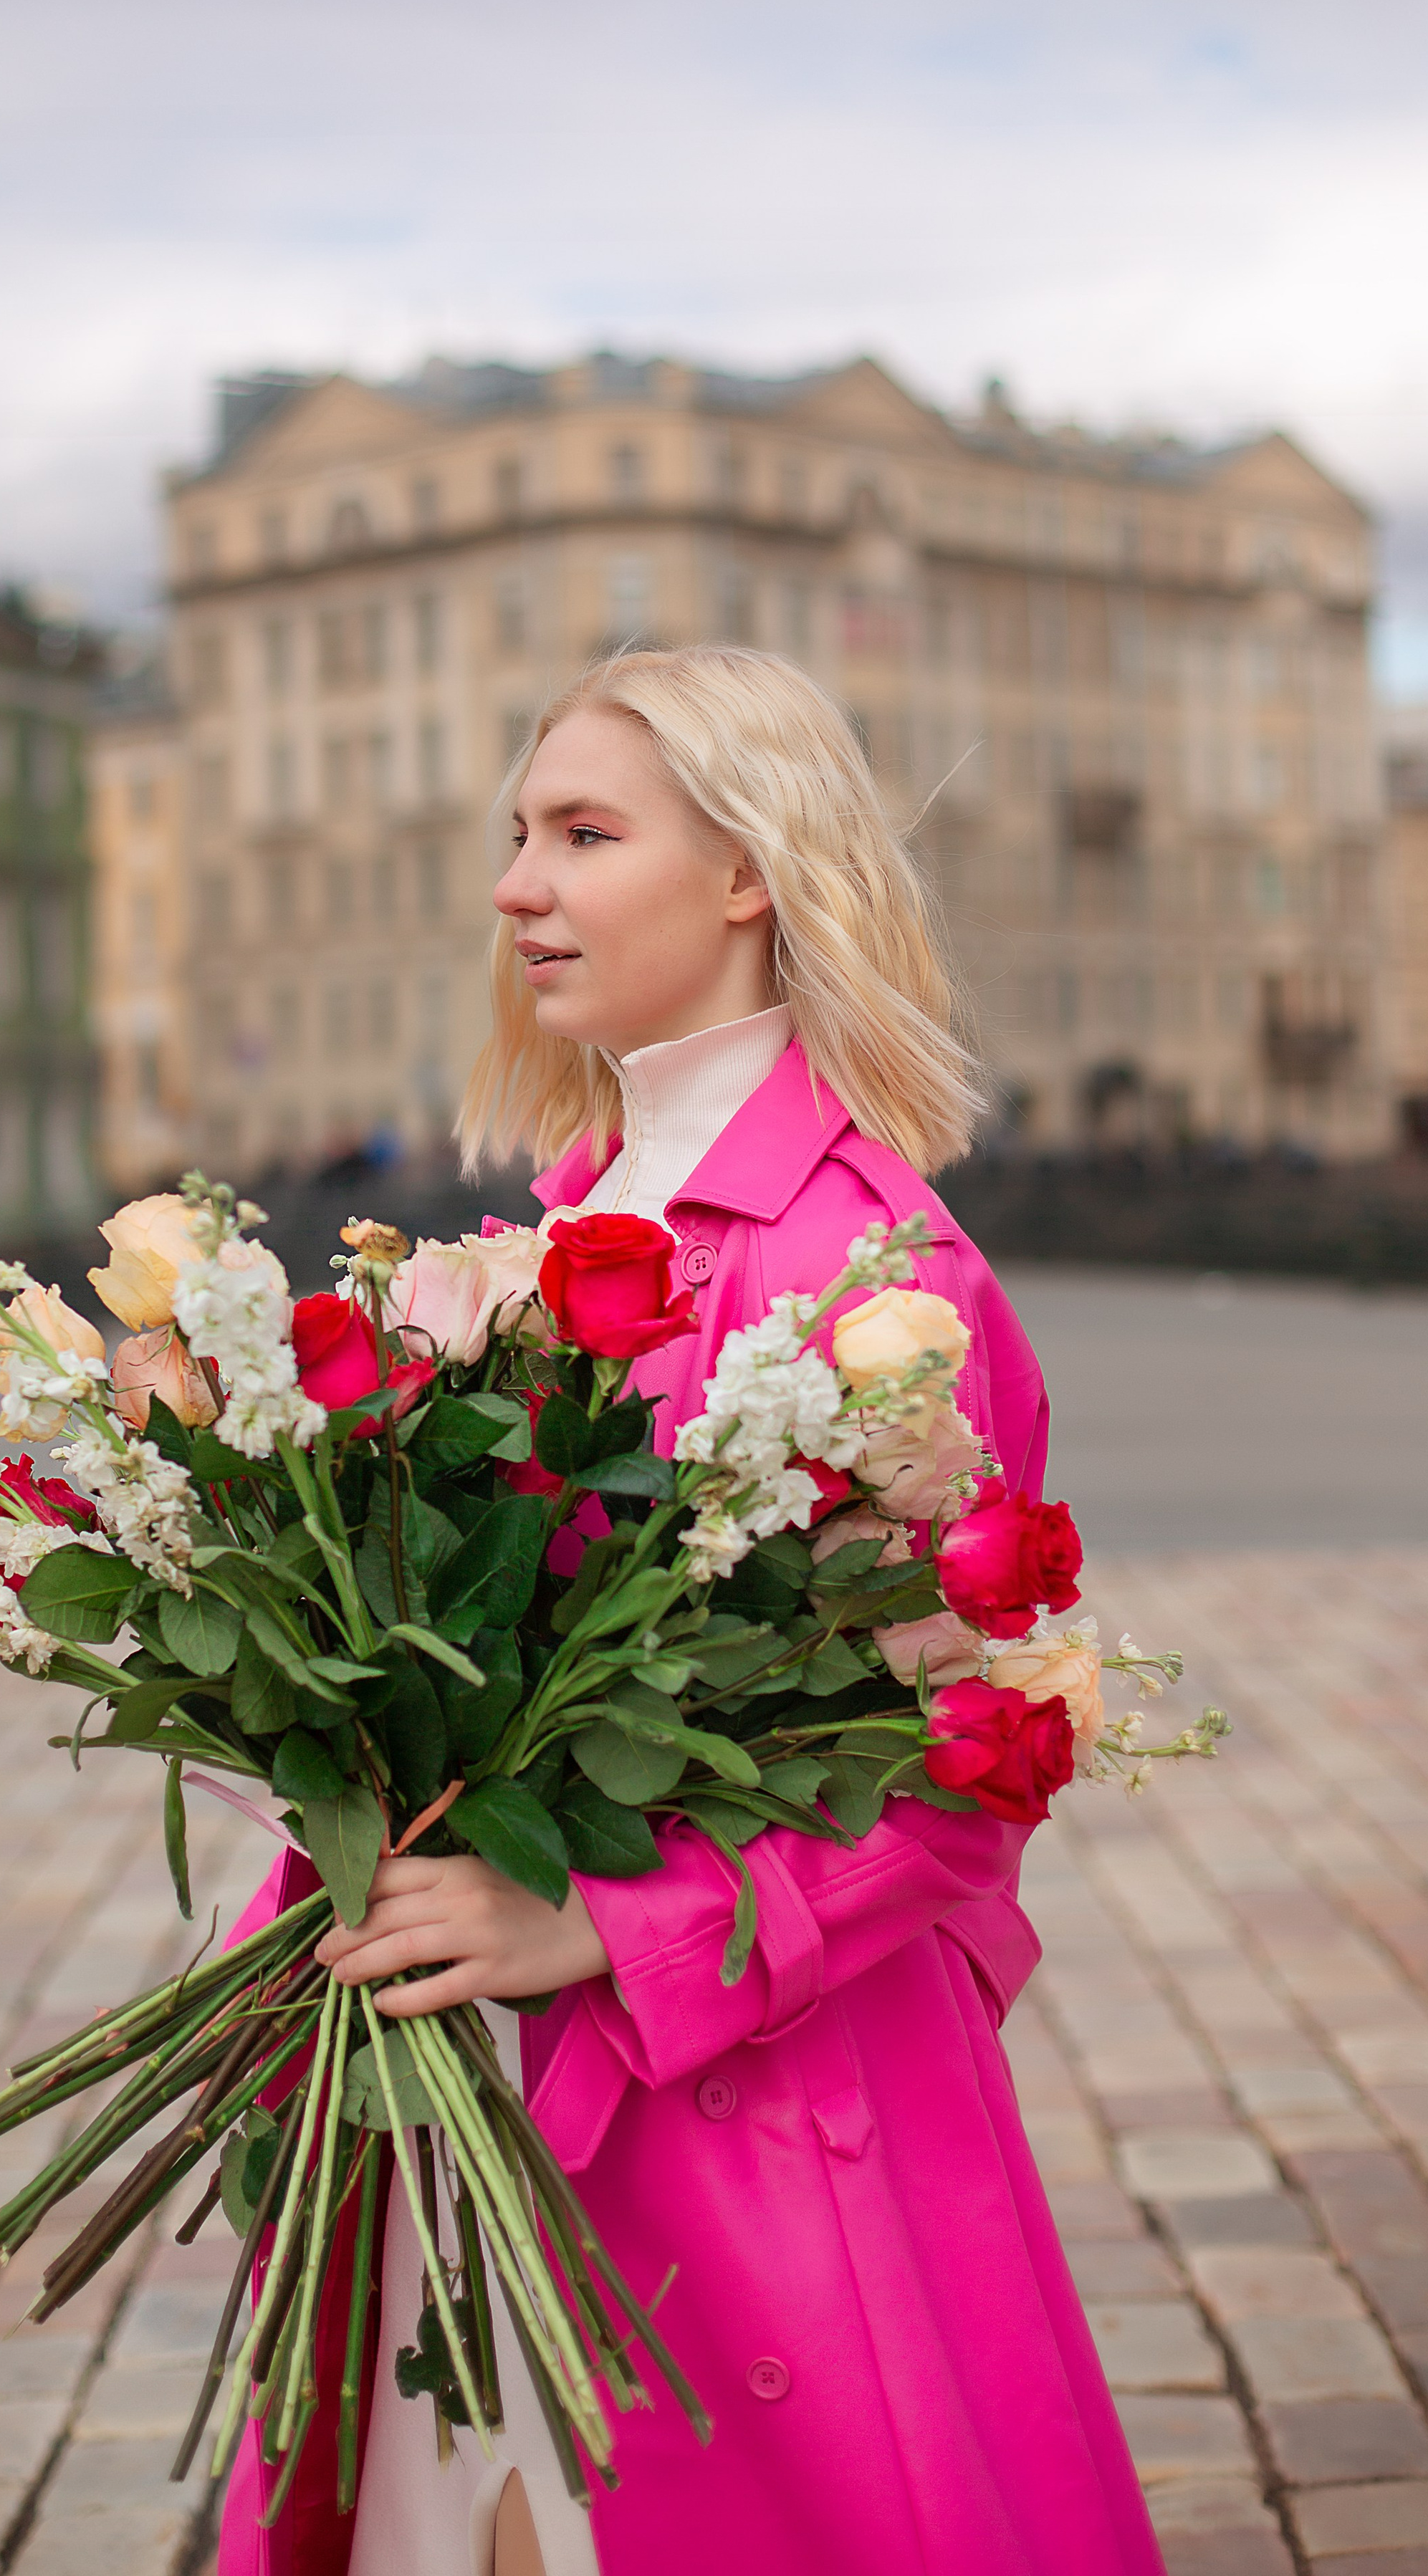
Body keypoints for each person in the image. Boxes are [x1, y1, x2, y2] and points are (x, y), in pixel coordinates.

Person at [220, 647, 1163, 2576]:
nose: (516, 889)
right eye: (517, 837)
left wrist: (590, 1925)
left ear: (748, 869)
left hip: (740, 2109)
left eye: (583, 834)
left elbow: (966, 1773)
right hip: (466, 2057)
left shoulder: (871, 1272)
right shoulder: (563, 1214)